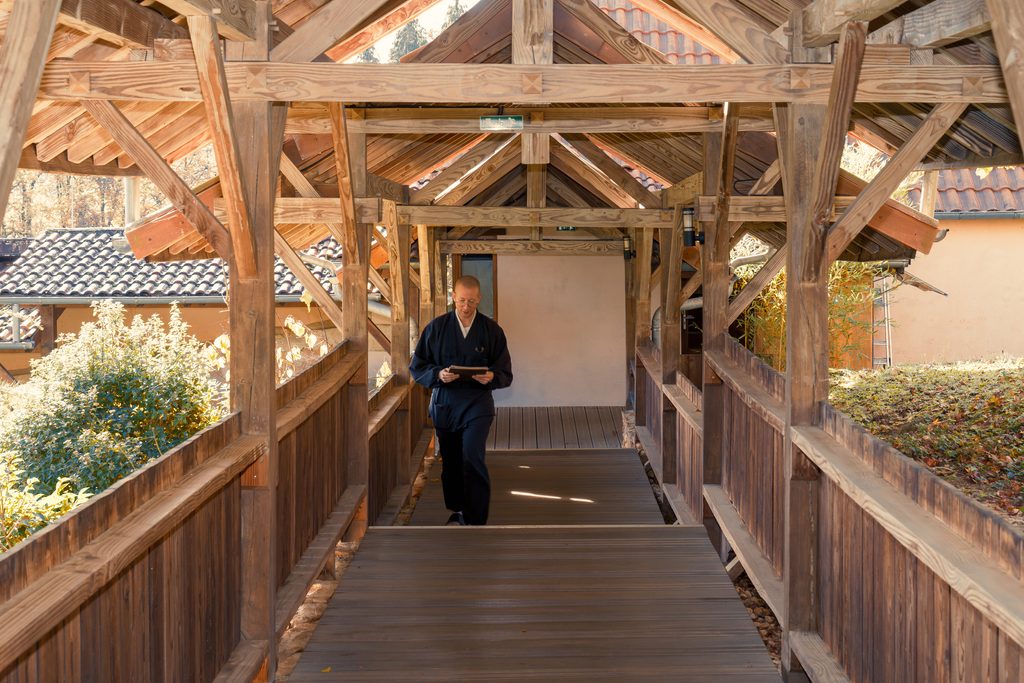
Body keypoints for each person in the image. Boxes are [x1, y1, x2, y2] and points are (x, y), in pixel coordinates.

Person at [410, 275, 512, 526]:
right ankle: (458, 508)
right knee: (452, 461)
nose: (466, 307)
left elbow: (505, 373)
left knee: (472, 456)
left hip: (477, 404)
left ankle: (476, 518)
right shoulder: (436, 328)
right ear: (453, 297)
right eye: (462, 300)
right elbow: (418, 366)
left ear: (479, 299)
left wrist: (491, 376)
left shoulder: (491, 331)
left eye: (472, 301)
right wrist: (438, 374)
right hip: (446, 404)